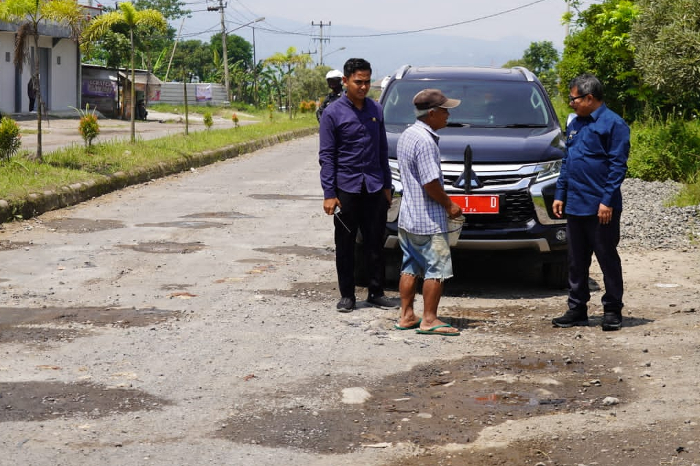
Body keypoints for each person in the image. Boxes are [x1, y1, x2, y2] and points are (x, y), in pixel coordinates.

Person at [551, 74, 630, 331]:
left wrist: (606, 201)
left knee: (607, 258)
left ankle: (612, 310)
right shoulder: (575, 123)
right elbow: (567, 161)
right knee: (576, 260)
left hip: (601, 208)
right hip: (575, 203)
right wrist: (560, 192)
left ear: (589, 98)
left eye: (573, 98)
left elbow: (618, 166)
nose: (570, 103)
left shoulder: (614, 124)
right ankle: (577, 309)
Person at [318, 58, 396, 312]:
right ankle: (347, 295)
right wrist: (329, 193)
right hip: (346, 189)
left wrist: (387, 184)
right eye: (358, 82)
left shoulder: (376, 110)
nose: (363, 87)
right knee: (346, 244)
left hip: (374, 187)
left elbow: (382, 150)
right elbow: (327, 156)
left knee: (375, 242)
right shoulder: (332, 113)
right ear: (346, 82)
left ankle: (376, 291)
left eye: (366, 82)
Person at [394, 89, 463, 336]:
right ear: (432, 113)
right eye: (445, 110)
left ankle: (406, 315)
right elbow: (430, 183)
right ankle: (430, 319)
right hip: (428, 219)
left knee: (410, 266)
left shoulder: (408, 135)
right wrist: (449, 205)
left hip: (408, 216)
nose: (448, 115)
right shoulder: (425, 141)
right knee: (436, 268)